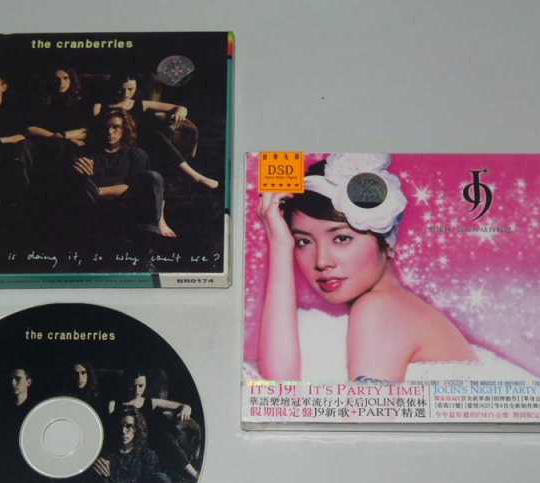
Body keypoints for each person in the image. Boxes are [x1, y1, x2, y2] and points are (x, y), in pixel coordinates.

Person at [256, 153, 477, 383]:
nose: (321, 261)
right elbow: (278, 389)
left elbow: (281, 393)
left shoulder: (381, 309)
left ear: (386, 240)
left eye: (341, 238)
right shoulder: (393, 307)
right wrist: (280, 245)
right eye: (303, 242)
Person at [95, 74, 218, 189]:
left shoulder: (140, 104)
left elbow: (180, 107)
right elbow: (93, 128)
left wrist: (180, 112)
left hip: (139, 142)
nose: (126, 94)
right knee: (153, 136)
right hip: (113, 142)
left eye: (130, 89)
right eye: (121, 90)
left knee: (155, 135)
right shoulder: (100, 106)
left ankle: (193, 175)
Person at [71, 108, 176, 236]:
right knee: (75, 173)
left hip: (125, 206)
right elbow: (85, 187)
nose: (110, 132)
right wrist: (74, 164)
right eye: (107, 127)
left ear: (125, 129)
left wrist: (161, 222)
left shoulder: (136, 154)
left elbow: (138, 188)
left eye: (116, 127)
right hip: (95, 206)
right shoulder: (89, 152)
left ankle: (152, 225)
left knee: (153, 177)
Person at [108, 369, 200, 481]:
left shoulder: (150, 402)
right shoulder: (114, 404)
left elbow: (185, 406)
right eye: (133, 386)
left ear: (146, 384)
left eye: (141, 386)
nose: (137, 390)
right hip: (126, 440)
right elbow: (110, 427)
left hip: (150, 440)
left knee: (163, 436)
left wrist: (185, 411)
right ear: (126, 384)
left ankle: (193, 474)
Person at [91, 407, 172, 483]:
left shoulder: (147, 455)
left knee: (162, 479)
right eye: (120, 426)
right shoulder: (107, 455)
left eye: (129, 426)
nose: (123, 431)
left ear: (136, 428)